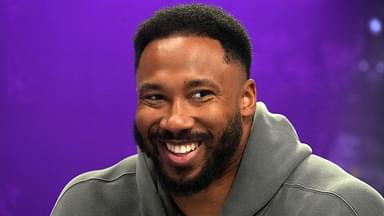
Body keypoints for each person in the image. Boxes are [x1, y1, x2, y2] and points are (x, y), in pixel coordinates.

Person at [51, 4, 384, 216]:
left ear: (247, 99)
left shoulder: (340, 208)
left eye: (199, 94)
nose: (175, 120)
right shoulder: (87, 204)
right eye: (155, 97)